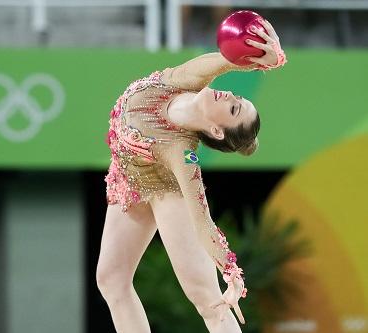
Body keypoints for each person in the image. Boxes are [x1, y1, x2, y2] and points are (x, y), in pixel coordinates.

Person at [96, 18, 286, 333]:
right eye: (239, 99)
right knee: (112, 279)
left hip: (166, 189)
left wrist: (231, 271)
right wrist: (268, 59)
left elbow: (203, 222)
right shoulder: (184, 80)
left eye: (235, 110)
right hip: (130, 178)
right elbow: (227, 60)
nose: (231, 98)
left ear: (215, 130)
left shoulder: (183, 153)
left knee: (209, 301)